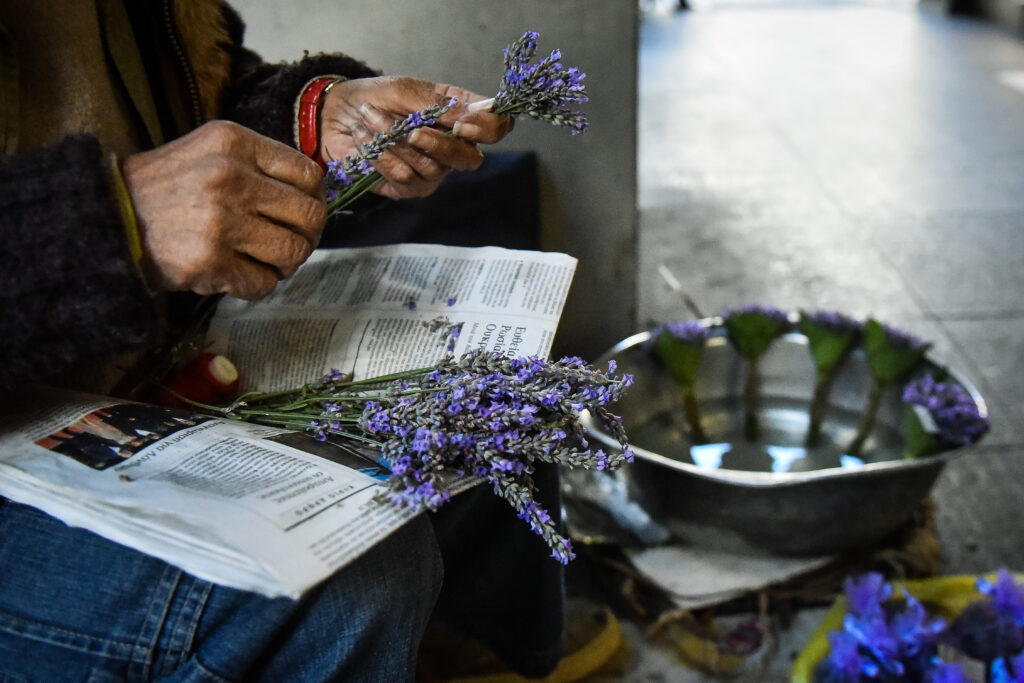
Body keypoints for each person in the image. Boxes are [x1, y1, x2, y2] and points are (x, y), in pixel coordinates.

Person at [0, 2, 564, 680]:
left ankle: (453, 646)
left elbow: (194, 86)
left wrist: (312, 117)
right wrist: (111, 223)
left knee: (492, 394)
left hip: (133, 344)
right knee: (356, 583)